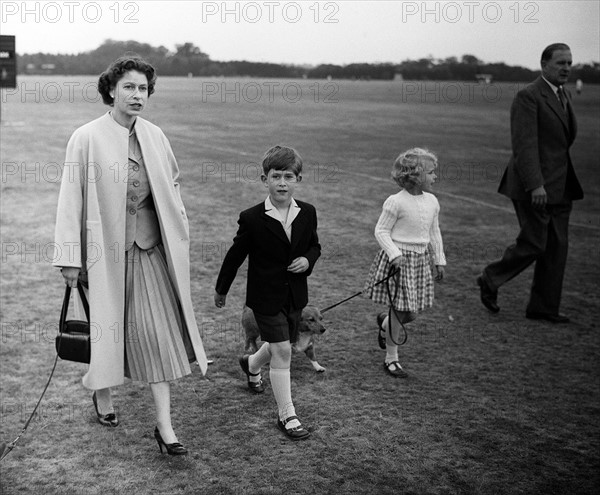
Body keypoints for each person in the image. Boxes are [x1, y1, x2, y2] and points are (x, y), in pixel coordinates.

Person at [53, 55, 208, 455]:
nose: (137, 95)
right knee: (108, 331)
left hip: (149, 251)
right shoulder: (85, 136)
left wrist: (179, 221)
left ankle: (165, 428)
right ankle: (102, 395)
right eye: (129, 88)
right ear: (111, 90)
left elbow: (172, 183)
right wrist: (70, 257)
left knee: (157, 336)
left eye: (143, 89)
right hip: (103, 257)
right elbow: (71, 198)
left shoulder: (155, 136)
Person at [214, 145, 321, 440]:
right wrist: (221, 289)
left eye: (289, 176)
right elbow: (235, 256)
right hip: (264, 297)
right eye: (276, 176)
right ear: (265, 180)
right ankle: (287, 415)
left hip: (295, 296)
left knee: (279, 344)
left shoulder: (308, 213)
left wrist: (308, 260)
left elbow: (314, 245)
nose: (282, 183)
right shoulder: (252, 218)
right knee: (283, 350)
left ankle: (250, 364)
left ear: (297, 179)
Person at [477, 43, 583, 323]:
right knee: (535, 242)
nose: (566, 68)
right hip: (532, 186)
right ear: (544, 65)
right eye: (560, 63)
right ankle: (490, 277)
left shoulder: (564, 94)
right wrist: (536, 184)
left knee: (557, 247)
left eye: (569, 63)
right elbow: (524, 145)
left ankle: (543, 307)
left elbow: (563, 141)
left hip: (561, 185)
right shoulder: (529, 96)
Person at [364, 148, 446, 377]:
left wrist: (439, 259)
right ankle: (391, 358)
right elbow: (381, 231)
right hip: (398, 263)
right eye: (430, 173)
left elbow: (434, 232)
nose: (435, 177)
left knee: (411, 314)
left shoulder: (432, 201)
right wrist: (394, 254)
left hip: (419, 263)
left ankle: (385, 324)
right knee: (400, 312)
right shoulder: (395, 202)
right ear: (414, 175)